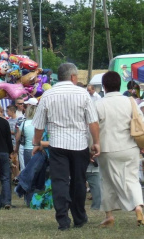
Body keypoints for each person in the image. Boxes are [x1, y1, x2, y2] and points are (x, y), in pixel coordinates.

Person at [32, 63, 100, 231]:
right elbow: (93, 122)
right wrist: (96, 142)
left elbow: (39, 125)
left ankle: (63, 219)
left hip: (57, 145)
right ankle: (79, 217)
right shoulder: (83, 94)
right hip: (79, 144)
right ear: (73, 77)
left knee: (59, 182)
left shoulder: (48, 95)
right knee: (79, 181)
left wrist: (37, 142)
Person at [95, 71, 144, 227]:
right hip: (130, 147)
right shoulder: (130, 102)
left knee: (107, 181)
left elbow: (93, 128)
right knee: (132, 179)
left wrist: (92, 146)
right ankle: (138, 207)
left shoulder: (98, 104)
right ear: (119, 85)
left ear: (104, 86)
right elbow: (140, 122)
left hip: (107, 149)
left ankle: (109, 215)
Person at [14, 99, 38, 168]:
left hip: (27, 148)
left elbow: (17, 138)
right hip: (38, 148)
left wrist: (16, 148)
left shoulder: (23, 123)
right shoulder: (39, 123)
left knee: (27, 168)